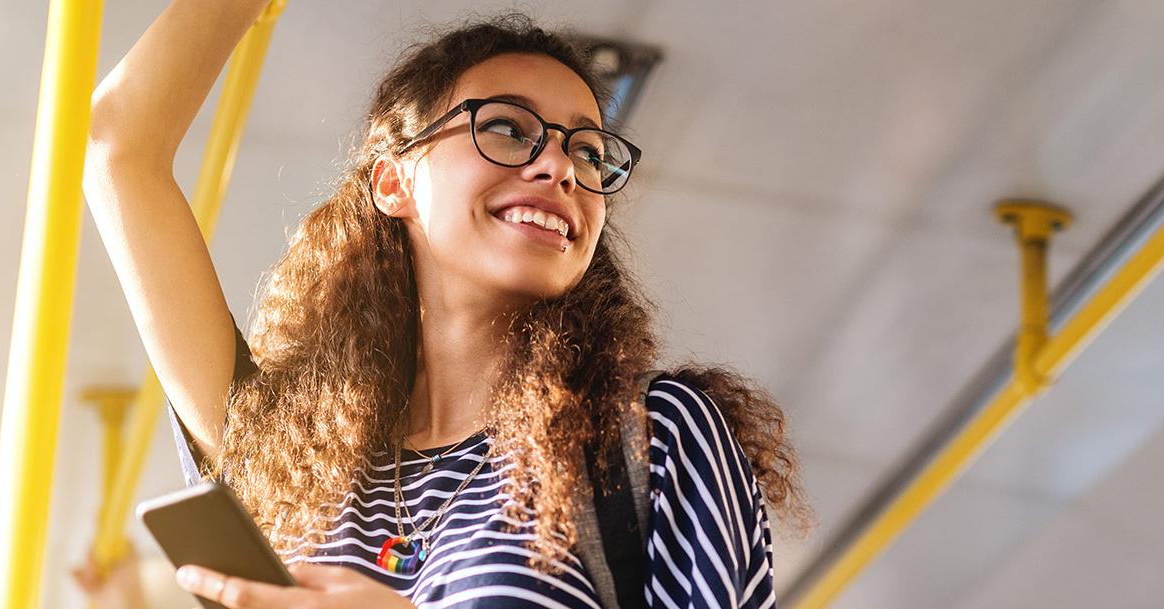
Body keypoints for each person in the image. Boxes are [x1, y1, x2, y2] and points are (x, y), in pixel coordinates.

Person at [83, 2, 805, 607]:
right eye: (506, 127)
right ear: (393, 181)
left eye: (589, 152)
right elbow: (120, 147)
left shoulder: (652, 436)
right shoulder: (286, 451)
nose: (559, 166)